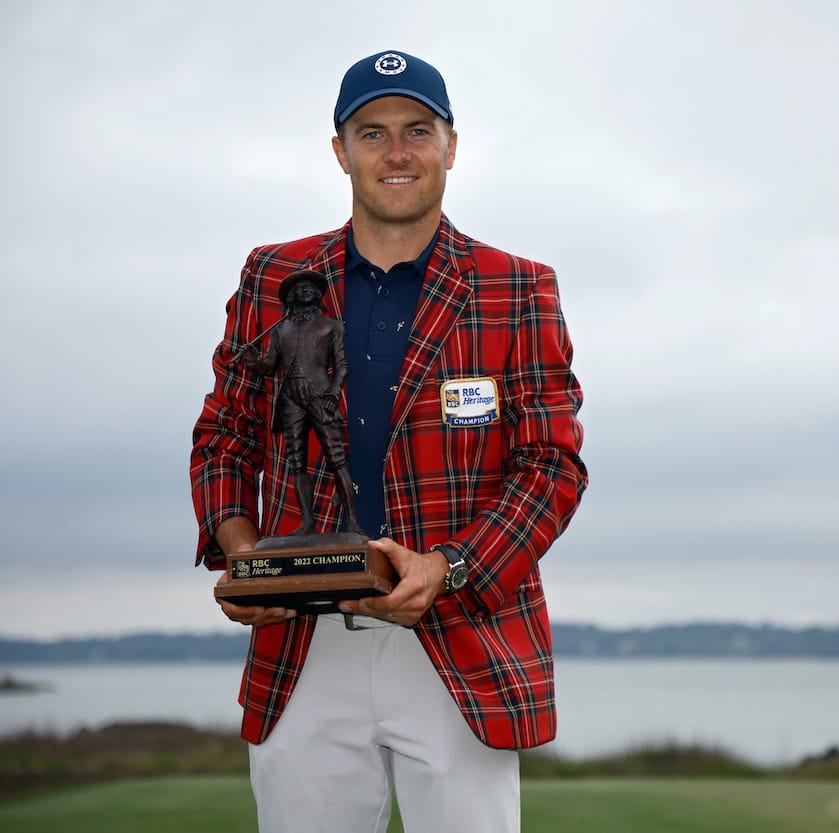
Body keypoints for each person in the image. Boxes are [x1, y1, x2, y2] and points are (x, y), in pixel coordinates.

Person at [190, 50, 587, 833]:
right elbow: (225, 435)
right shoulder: (273, 274)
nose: (396, 152)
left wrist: (451, 566)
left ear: (451, 144)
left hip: (458, 635)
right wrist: (243, 551)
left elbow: (551, 466)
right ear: (340, 150)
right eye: (372, 132)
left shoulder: (518, 285)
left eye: (417, 130)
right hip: (301, 643)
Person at [235, 270, 363, 537]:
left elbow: (341, 366)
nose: (304, 291)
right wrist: (254, 361)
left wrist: (332, 394)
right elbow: (270, 365)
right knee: (297, 462)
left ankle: (352, 521)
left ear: (317, 295)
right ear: (291, 297)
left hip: (319, 395)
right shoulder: (281, 330)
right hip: (291, 396)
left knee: (336, 458)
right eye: (298, 289)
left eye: (309, 288)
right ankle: (307, 522)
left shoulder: (331, 326)